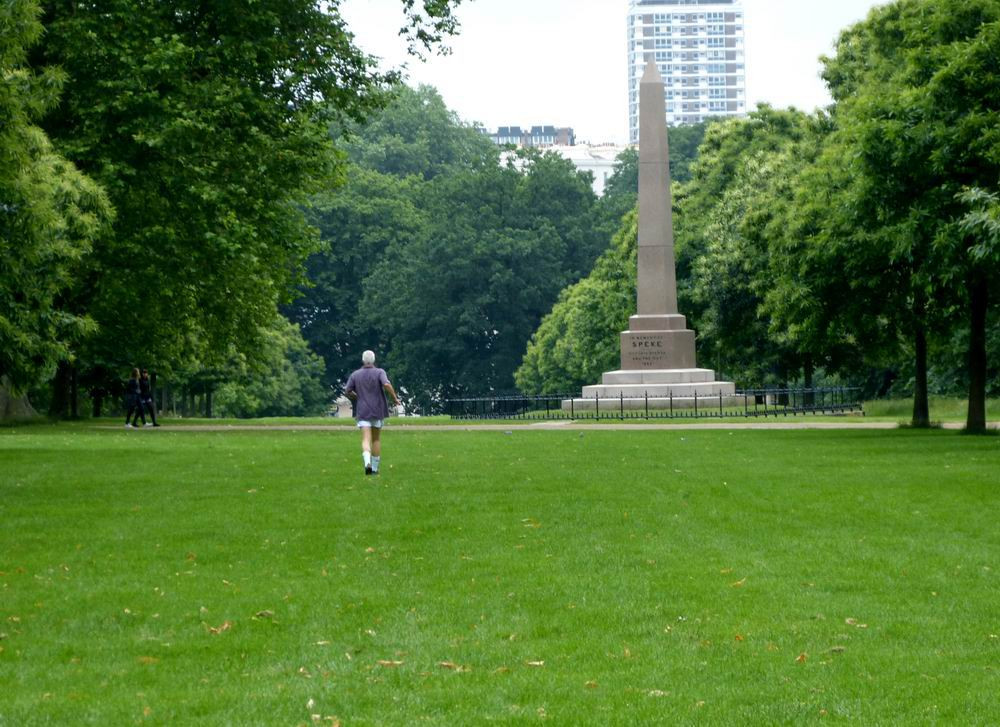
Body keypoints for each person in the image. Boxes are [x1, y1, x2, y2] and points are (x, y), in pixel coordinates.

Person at [344, 350, 402, 475]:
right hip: (377, 410)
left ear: (363, 360)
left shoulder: (355, 374)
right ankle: (375, 469)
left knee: (365, 439)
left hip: (363, 410)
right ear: (374, 360)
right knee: (376, 439)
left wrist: (356, 396)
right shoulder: (380, 372)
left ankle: (366, 463)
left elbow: (347, 390)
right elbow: (386, 384)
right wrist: (394, 397)